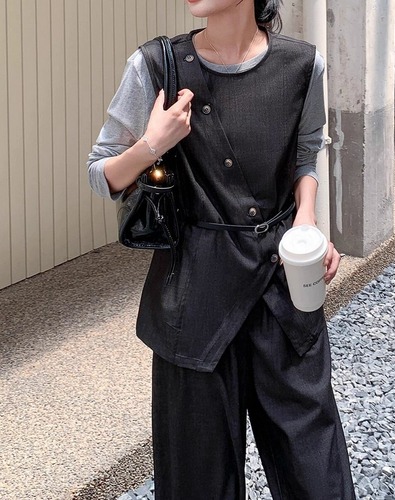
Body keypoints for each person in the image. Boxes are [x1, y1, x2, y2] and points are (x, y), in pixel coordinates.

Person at [88, 0, 356, 498]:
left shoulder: (303, 64)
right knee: (198, 481)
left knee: (316, 471)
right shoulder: (155, 65)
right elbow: (101, 174)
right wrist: (152, 143)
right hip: (194, 301)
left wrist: (307, 221)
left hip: (282, 289)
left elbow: (306, 152)